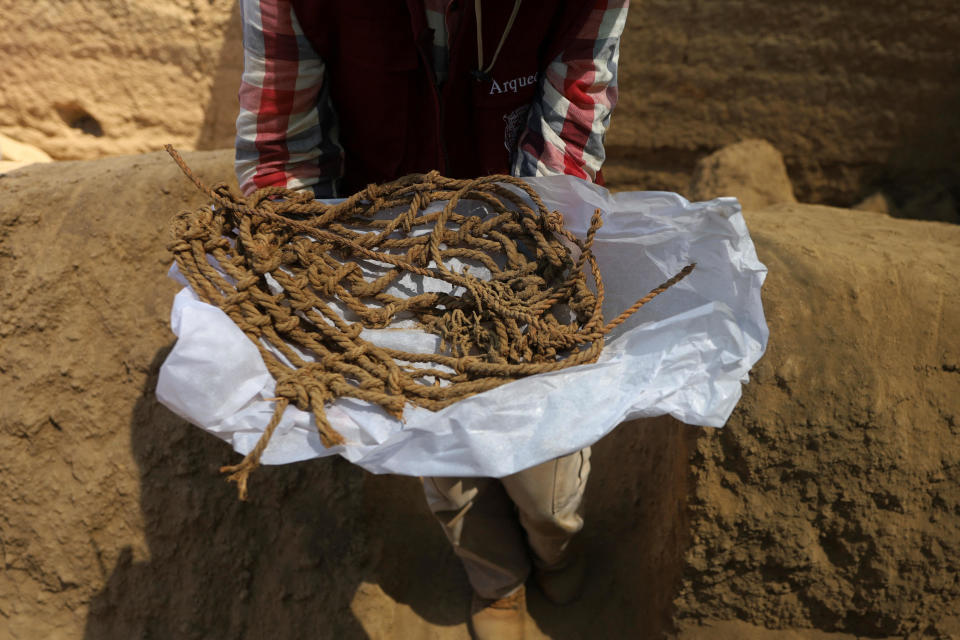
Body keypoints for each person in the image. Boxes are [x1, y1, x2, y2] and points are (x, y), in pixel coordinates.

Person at [234, 1, 629, 638]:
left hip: (527, 232)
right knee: (442, 451)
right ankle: (495, 580)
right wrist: (326, 282)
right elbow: (281, 154)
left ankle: (555, 544)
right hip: (383, 247)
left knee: (546, 478)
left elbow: (571, 129)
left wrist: (516, 276)